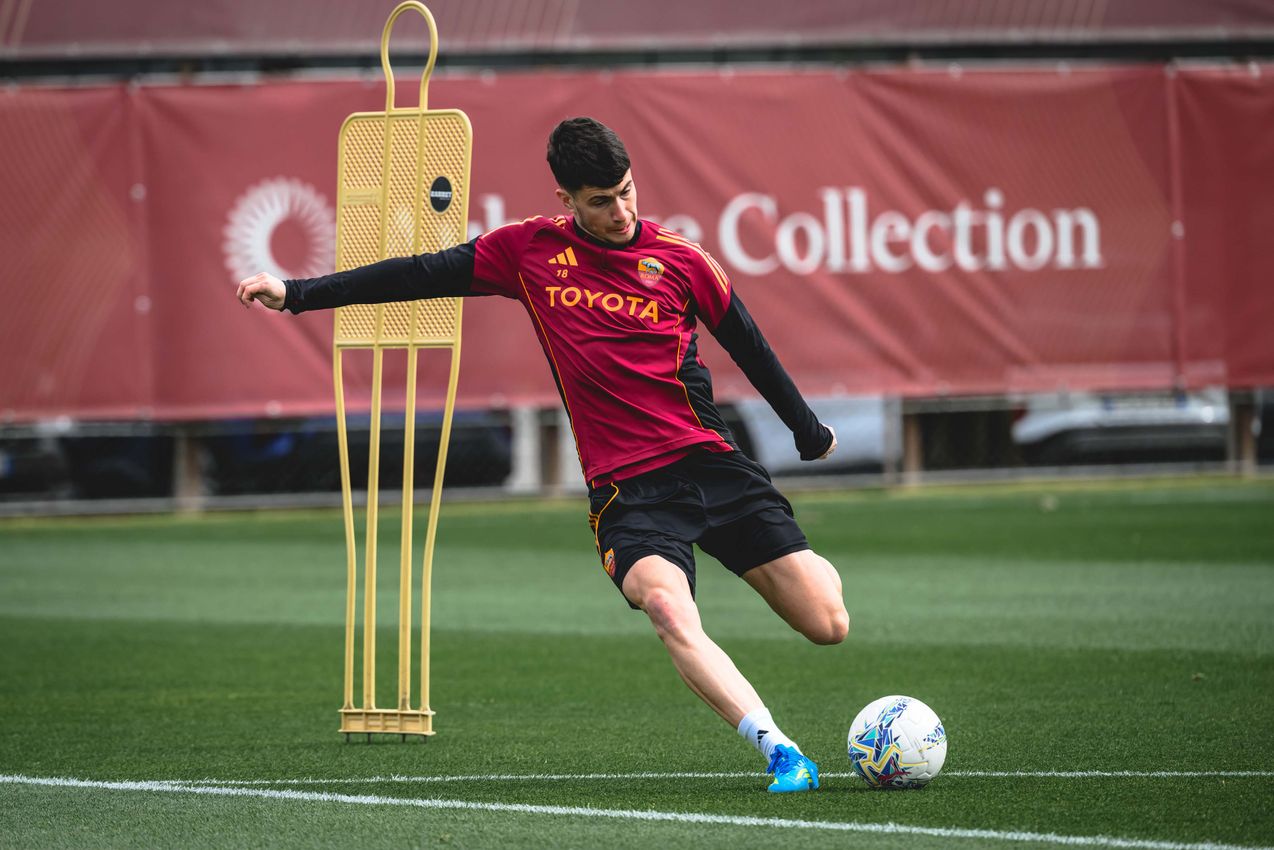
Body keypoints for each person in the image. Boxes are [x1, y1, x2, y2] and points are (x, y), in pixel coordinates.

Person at [236, 117, 849, 793]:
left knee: (827, 623)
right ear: (567, 200)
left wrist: (807, 429)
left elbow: (749, 344)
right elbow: (417, 274)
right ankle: (780, 750)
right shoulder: (526, 252)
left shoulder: (682, 260)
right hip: (629, 490)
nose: (620, 212)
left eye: (626, 193)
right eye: (600, 201)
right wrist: (297, 295)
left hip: (710, 464)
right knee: (669, 610)